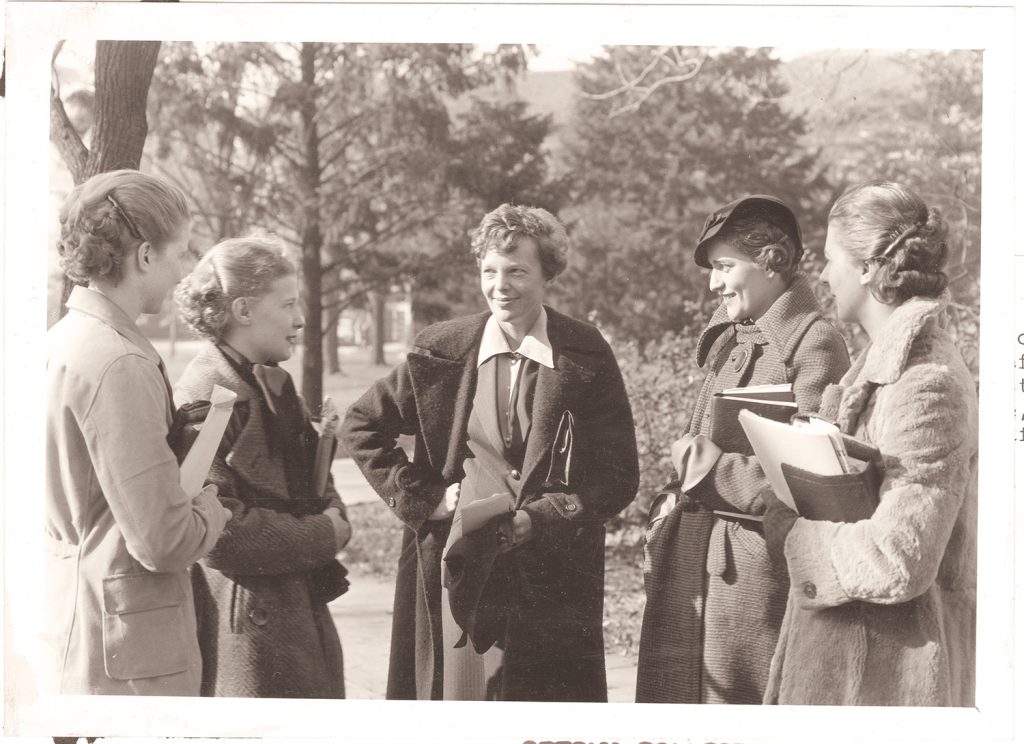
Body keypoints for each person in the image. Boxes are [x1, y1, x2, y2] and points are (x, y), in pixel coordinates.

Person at [341, 203, 639, 702]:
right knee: (460, 703)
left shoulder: (585, 352)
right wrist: (422, 500)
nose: (501, 285)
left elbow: (618, 474)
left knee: (545, 716)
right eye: (490, 271)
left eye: (517, 271)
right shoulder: (443, 348)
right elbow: (362, 424)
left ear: (548, 274)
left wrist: (543, 517)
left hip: (553, 572)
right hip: (457, 563)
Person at [762, 181, 977, 706]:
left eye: (832, 258)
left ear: (866, 268)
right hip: (854, 661)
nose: (823, 275)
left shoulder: (926, 382)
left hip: (885, 677)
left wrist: (795, 533)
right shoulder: (882, 368)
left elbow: (896, 558)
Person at [636, 195, 850, 704]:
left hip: (749, 586)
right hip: (691, 567)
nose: (713, 283)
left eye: (724, 267)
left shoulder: (815, 344)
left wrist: (710, 469)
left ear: (772, 261)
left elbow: (815, 480)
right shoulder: (734, 339)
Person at [45, 169, 230, 695]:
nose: (182, 272)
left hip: (70, 631)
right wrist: (213, 505)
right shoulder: (118, 362)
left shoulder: (62, 342)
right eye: (179, 254)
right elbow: (164, 542)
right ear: (145, 256)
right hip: (125, 663)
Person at [173, 236, 351, 698]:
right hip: (249, 623)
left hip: (291, 603)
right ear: (244, 310)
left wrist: (329, 508)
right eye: (288, 304)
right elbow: (219, 533)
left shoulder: (269, 381)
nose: (300, 320)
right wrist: (326, 533)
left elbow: (306, 484)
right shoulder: (206, 396)